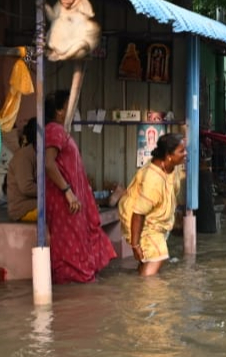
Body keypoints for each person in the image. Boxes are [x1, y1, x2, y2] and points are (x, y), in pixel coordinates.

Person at [44, 89, 116, 283]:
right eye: (70, 105)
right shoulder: (54, 130)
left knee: (79, 243)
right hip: (64, 201)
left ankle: (81, 284)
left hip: (71, 200)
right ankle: (75, 285)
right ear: (59, 110)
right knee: (70, 245)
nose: (73, 109)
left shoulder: (58, 131)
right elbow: (48, 164)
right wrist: (68, 192)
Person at [119, 133, 188, 277]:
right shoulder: (153, 180)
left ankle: (139, 291)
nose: (185, 153)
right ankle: (147, 295)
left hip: (155, 222)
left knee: (148, 261)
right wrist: (135, 245)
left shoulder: (171, 167)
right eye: (181, 151)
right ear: (168, 155)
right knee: (157, 258)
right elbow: (138, 213)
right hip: (143, 224)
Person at [6, 118, 40, 222]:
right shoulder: (24, 156)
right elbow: (26, 187)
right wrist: (49, 191)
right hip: (22, 209)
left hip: (33, 203)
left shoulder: (36, 153)